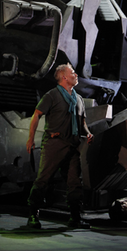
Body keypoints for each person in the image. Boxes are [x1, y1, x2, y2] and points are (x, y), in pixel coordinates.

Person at [26, 63, 94, 229]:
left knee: (74, 182)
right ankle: (33, 215)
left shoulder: (78, 99)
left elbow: (82, 121)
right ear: (64, 77)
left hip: (73, 145)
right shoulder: (52, 95)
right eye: (72, 72)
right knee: (43, 179)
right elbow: (36, 115)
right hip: (54, 144)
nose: (76, 75)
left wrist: (88, 132)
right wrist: (31, 139)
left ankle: (75, 218)